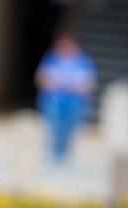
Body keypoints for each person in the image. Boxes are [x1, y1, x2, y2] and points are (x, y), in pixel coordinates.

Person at [35, 33, 96, 164]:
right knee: (54, 126)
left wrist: (77, 87)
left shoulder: (83, 61)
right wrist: (50, 84)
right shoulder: (51, 58)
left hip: (75, 100)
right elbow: (40, 77)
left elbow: (89, 83)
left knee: (69, 127)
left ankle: (64, 153)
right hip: (54, 98)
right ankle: (53, 151)